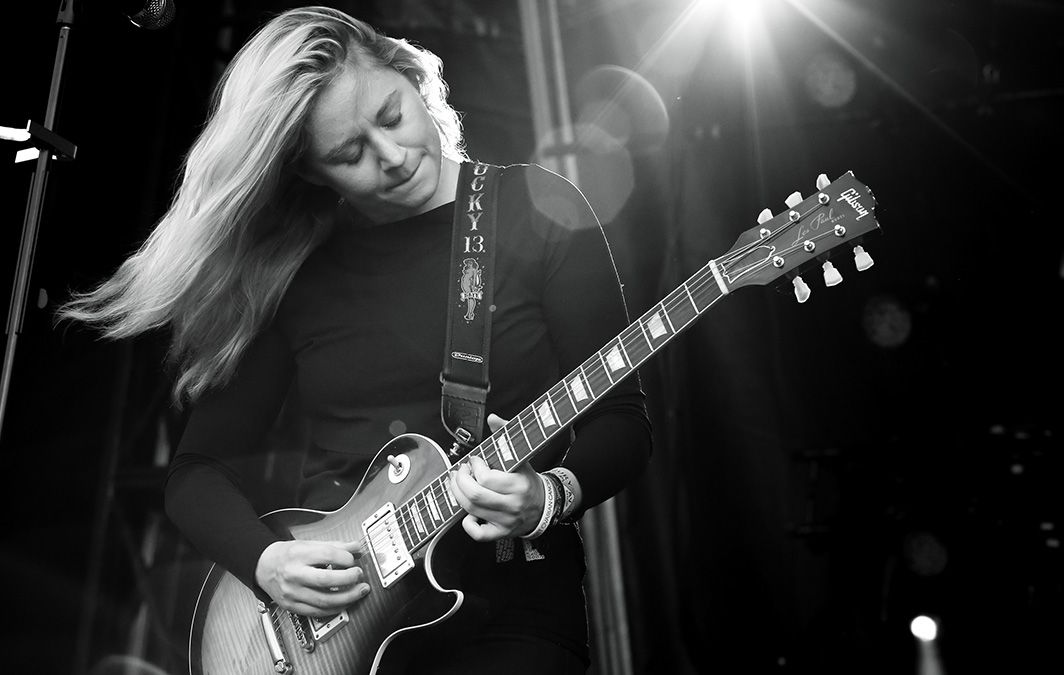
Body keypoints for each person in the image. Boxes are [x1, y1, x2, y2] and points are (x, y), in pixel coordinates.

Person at [59, 5, 651, 673]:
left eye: (392, 116)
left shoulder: (540, 210)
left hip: (513, 611)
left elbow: (623, 421)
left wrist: (553, 491)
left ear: (410, 75)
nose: (392, 158)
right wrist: (267, 561)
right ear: (313, 173)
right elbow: (196, 476)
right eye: (349, 154)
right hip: (333, 626)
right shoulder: (297, 273)